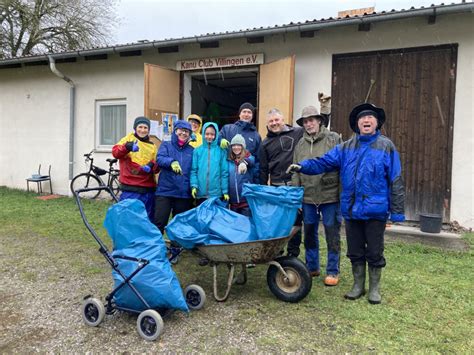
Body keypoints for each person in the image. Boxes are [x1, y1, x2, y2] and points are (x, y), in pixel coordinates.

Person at [287, 103, 405, 304]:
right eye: (362, 119)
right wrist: (303, 166)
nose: (366, 121)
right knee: (355, 250)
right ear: (357, 124)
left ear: (377, 123)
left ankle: (374, 289)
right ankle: (358, 285)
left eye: (370, 118)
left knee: (375, 250)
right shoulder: (345, 148)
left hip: (376, 210)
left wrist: (397, 212)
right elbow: (323, 162)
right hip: (351, 209)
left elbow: (396, 179)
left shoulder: (386, 146)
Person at [292, 106, 343, 285]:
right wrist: (296, 195)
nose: (309, 124)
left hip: (330, 195)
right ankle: (312, 266)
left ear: (320, 121)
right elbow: (295, 171)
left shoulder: (333, 138)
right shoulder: (300, 144)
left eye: (312, 120)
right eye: (305, 121)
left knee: (332, 231)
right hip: (308, 196)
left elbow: (341, 166)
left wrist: (341, 194)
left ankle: (332, 270)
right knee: (310, 232)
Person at [259, 108, 304, 258]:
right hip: (276, 188)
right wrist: (264, 191)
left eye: (276, 120)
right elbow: (263, 169)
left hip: (293, 186)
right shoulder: (265, 144)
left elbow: (317, 128)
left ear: (283, 120)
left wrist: (325, 110)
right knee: (278, 221)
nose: (274, 123)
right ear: (267, 123)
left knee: (296, 222)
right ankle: (278, 251)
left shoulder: (297, 133)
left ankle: (293, 254)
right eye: (271, 121)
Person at [112, 116, 157, 221]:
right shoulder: (128, 139)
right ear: (135, 128)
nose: (143, 130)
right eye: (140, 127)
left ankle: (145, 238)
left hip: (148, 189)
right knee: (129, 218)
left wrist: (151, 166)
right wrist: (127, 147)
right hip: (131, 188)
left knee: (147, 219)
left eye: (145, 127)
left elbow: (157, 164)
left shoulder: (152, 146)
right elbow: (115, 152)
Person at [154, 120, 194, 234]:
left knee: (179, 224)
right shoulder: (166, 145)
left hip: (183, 193)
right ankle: (156, 247)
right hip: (165, 192)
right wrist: (171, 162)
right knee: (159, 222)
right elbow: (160, 158)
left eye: (187, 131)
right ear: (175, 131)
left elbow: (194, 170)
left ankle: (176, 247)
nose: (183, 133)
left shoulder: (192, 150)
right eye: (181, 130)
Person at [220, 103, 261, 182]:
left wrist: (256, 181)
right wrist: (220, 140)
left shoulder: (256, 136)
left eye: (249, 112)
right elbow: (215, 139)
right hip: (229, 178)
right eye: (244, 111)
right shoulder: (228, 129)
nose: (246, 114)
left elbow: (257, 161)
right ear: (239, 114)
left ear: (252, 116)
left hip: (247, 178)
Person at [190, 122, 229, 204]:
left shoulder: (221, 151)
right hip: (200, 193)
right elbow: (194, 170)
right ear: (203, 134)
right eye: (207, 134)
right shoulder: (197, 151)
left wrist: (225, 191)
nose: (209, 136)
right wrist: (194, 185)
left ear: (216, 135)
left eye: (212, 134)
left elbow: (224, 172)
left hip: (216, 194)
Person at [227, 134, 255, 217]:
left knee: (246, 224)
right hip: (233, 202)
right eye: (234, 145)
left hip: (245, 201)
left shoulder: (249, 157)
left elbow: (251, 161)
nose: (236, 147)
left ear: (243, 146)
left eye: (238, 145)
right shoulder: (229, 161)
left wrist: (243, 162)